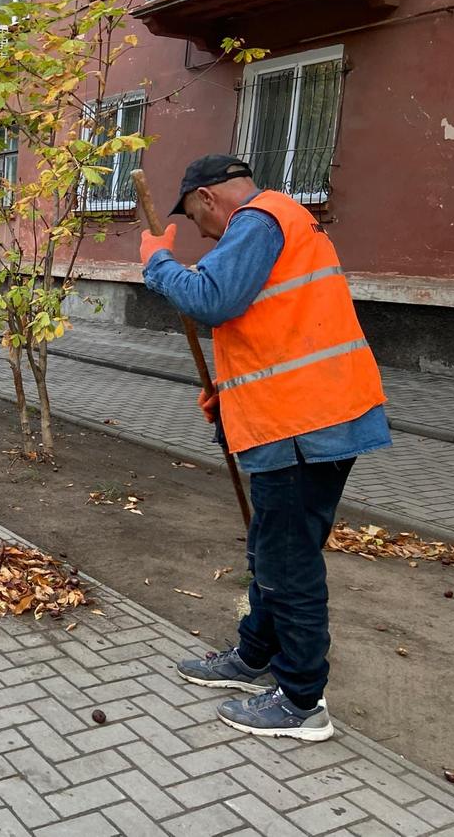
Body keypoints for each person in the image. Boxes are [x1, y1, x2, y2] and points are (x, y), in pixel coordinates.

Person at [140, 155, 391, 742]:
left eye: (196, 220)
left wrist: (157, 261)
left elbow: (211, 298)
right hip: (302, 417)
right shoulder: (277, 223)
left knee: (288, 561)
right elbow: (270, 327)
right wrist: (228, 396)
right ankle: (255, 655)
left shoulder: (261, 219)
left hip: (304, 426)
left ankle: (302, 702)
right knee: (272, 546)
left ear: (205, 198)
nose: (203, 233)